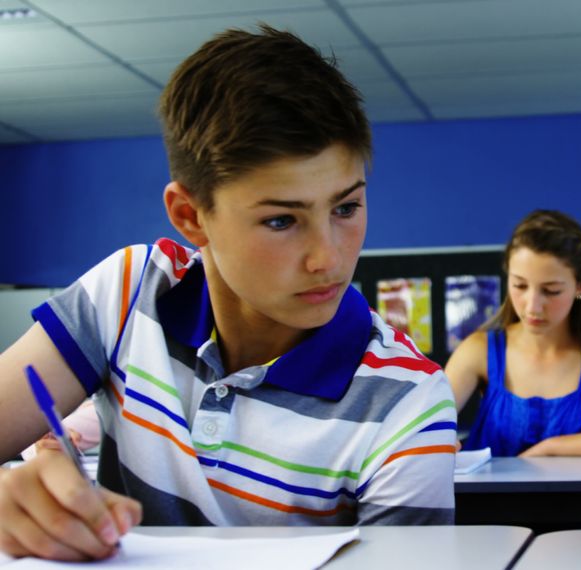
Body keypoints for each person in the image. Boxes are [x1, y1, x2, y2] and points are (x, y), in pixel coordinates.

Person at [0, 25, 456, 561]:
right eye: (282, 219)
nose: (329, 258)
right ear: (190, 216)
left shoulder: (408, 400)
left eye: (346, 208)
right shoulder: (125, 292)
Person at [445, 210, 581, 457]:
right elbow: (422, 427)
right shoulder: (479, 350)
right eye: (520, 285)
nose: (532, 306)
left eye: (551, 290)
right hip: (488, 498)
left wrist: (552, 448)